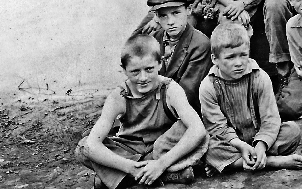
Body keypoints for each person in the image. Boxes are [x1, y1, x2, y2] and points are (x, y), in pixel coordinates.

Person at [75, 35, 208, 189]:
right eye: (135, 72)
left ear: (160, 64)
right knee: (83, 147)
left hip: (163, 148)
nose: (143, 77)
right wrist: (130, 168)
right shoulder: (119, 96)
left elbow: (198, 129)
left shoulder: (170, 89)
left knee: (194, 131)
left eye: (149, 69)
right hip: (129, 152)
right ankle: (159, 175)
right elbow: (92, 144)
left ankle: (118, 179)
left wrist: (161, 164)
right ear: (124, 70)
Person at [199, 23, 302, 175]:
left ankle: (235, 163)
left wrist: (261, 145)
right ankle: (271, 161)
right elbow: (217, 127)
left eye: (243, 55)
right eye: (230, 57)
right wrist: (240, 145)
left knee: (292, 131)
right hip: (231, 143)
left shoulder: (260, 78)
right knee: (207, 147)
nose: (239, 63)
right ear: (215, 59)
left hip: (260, 136)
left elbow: (270, 119)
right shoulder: (208, 86)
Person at [147, 0, 212, 111]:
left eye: (176, 13)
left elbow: (188, 93)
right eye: (163, 15)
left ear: (189, 10)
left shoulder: (200, 44)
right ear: (157, 17)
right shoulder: (154, 39)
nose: (170, 22)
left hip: (184, 110)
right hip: (155, 105)